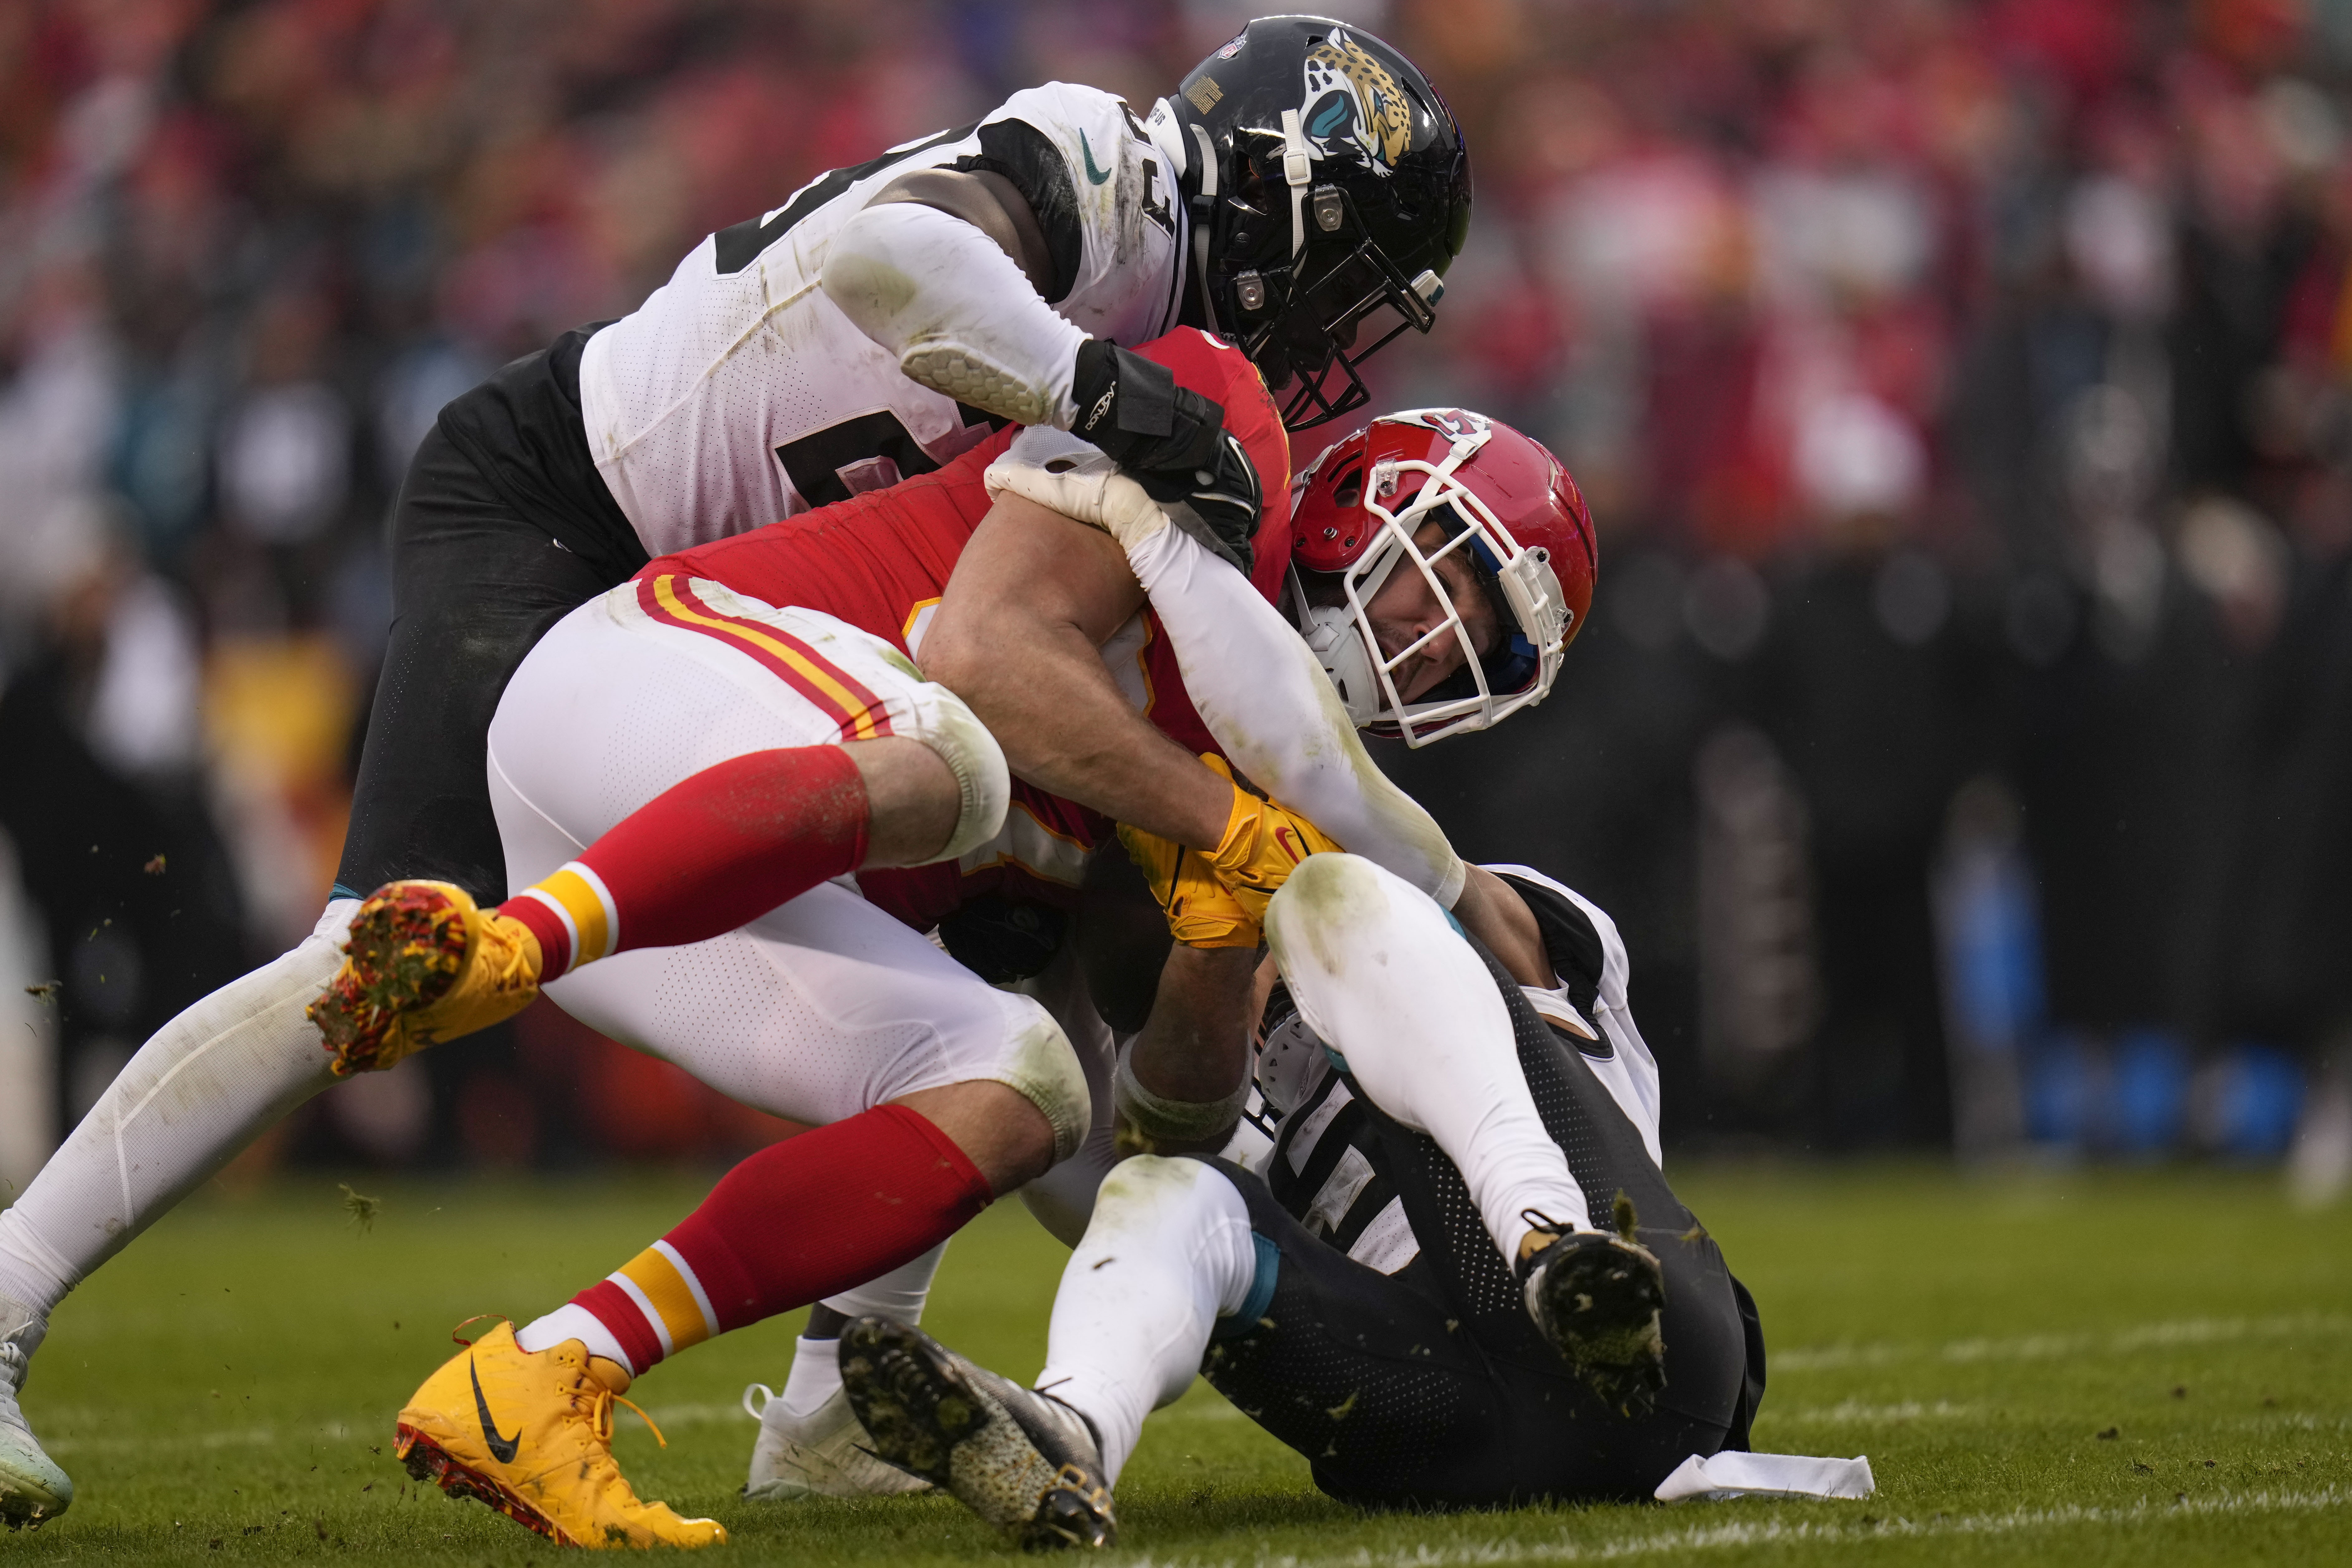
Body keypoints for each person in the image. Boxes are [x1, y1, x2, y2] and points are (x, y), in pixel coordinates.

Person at [0, 17, 1473, 1528]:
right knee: (382, 950)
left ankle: (847, 1384)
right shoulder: (1116, 178)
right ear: (1300, 195)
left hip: (738, 607)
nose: (1327, 335)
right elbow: (892, 264)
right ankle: (5, 1296)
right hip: (568, 512)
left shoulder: (1169, 313)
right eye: (1351, 283)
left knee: (996, 962)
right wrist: (1099, 392)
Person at [343, 371, 1594, 1548]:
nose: (1434, 645)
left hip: (743, 875)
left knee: (1020, 1084)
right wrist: (1222, 826)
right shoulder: (1206, 452)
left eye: (1480, 647)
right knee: (957, 763)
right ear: (1361, 504)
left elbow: (1153, 1127)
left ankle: (557, 1369)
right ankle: (503, 943)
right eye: (1446, 580)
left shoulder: (1274, 789)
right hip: (662, 694)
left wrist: (1214, 946)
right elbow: (983, 658)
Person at [839, 850, 1763, 1549]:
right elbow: (1062, 1108)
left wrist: (1276, 840)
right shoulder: (1159, 1097)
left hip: (1649, 1353)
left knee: (1344, 893)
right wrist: (1038, 944)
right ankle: (1070, 1430)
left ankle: (1546, 1235)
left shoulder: (1415, 911)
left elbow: (1414, 883)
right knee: (1163, 1186)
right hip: (1446, 1425)